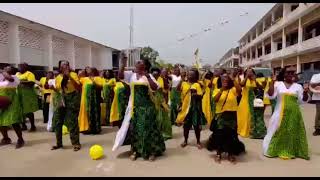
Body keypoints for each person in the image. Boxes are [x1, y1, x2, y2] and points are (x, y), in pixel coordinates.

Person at [112, 59, 165, 162]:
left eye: (139, 62)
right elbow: (120, 76)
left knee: (149, 130)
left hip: (147, 108)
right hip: (134, 107)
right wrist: (122, 64)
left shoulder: (148, 76)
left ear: (144, 66)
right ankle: (136, 151)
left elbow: (155, 88)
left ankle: (151, 152)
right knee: (135, 130)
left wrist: (148, 76)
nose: (136, 63)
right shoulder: (131, 75)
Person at [263, 66, 310, 160]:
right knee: (276, 130)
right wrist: (271, 82)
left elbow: (302, 101)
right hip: (279, 113)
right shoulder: (278, 84)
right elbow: (271, 95)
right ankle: (274, 150)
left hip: (294, 114)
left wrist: (305, 92)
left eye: (292, 72)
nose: (290, 74)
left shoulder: (298, 86)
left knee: (291, 132)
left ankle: (290, 150)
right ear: (283, 74)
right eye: (288, 72)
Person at [207, 72, 245, 164]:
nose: (225, 80)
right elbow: (215, 100)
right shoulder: (217, 90)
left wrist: (233, 79)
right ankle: (218, 154)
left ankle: (230, 154)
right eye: (223, 78)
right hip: (221, 116)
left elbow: (240, 90)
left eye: (226, 78)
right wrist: (221, 90)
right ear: (220, 80)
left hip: (232, 116)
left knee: (231, 136)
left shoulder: (233, 90)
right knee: (220, 136)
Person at [50, 60, 81, 151]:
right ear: (60, 67)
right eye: (63, 65)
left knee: (72, 121)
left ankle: (76, 143)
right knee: (57, 121)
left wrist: (69, 76)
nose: (65, 66)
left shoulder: (73, 74)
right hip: (60, 98)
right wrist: (53, 88)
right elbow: (58, 89)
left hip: (71, 98)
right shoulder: (58, 77)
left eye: (67, 64)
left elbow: (78, 87)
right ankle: (59, 143)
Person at [176, 68, 206, 149]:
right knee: (186, 126)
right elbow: (178, 90)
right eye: (189, 74)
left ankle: (198, 141)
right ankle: (185, 141)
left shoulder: (197, 85)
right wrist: (181, 80)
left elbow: (200, 96)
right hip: (185, 109)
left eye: (192, 75)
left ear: (195, 76)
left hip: (195, 109)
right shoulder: (184, 83)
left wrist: (195, 95)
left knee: (196, 126)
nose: (190, 76)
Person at [237, 67, 267, 139]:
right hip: (245, 101)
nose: (249, 73)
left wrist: (255, 80)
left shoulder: (255, 80)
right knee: (245, 116)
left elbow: (261, 88)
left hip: (254, 101)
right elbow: (242, 84)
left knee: (254, 116)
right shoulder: (244, 79)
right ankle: (244, 130)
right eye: (248, 72)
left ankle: (254, 132)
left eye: (251, 72)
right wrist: (247, 76)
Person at [0, 66, 25, 148]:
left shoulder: (15, 77)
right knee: (1, 122)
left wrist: (2, 71)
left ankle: (20, 139)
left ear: (12, 71)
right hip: (1, 101)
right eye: (5, 67)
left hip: (11, 101)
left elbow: (10, 79)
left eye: (8, 67)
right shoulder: (1, 76)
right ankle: (6, 138)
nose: (6, 68)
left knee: (14, 121)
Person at [78, 67, 104, 135]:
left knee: (94, 113)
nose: (88, 70)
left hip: (94, 100)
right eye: (87, 69)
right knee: (86, 113)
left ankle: (95, 129)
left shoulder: (98, 78)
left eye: (89, 69)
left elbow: (101, 86)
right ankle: (85, 128)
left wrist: (93, 81)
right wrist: (81, 73)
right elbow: (77, 83)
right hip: (85, 100)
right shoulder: (84, 79)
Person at [16, 63, 38, 132]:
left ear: (25, 67)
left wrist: (21, 82)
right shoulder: (17, 74)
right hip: (19, 94)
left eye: (21, 67)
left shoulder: (29, 74)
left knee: (28, 111)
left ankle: (33, 126)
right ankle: (23, 125)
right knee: (20, 111)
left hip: (27, 95)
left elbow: (32, 82)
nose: (19, 68)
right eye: (18, 67)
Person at [151, 67, 172, 140]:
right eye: (154, 74)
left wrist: (165, 102)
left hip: (161, 101)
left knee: (163, 118)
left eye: (157, 73)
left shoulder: (163, 79)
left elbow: (166, 91)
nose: (155, 75)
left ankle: (164, 133)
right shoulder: (149, 80)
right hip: (152, 102)